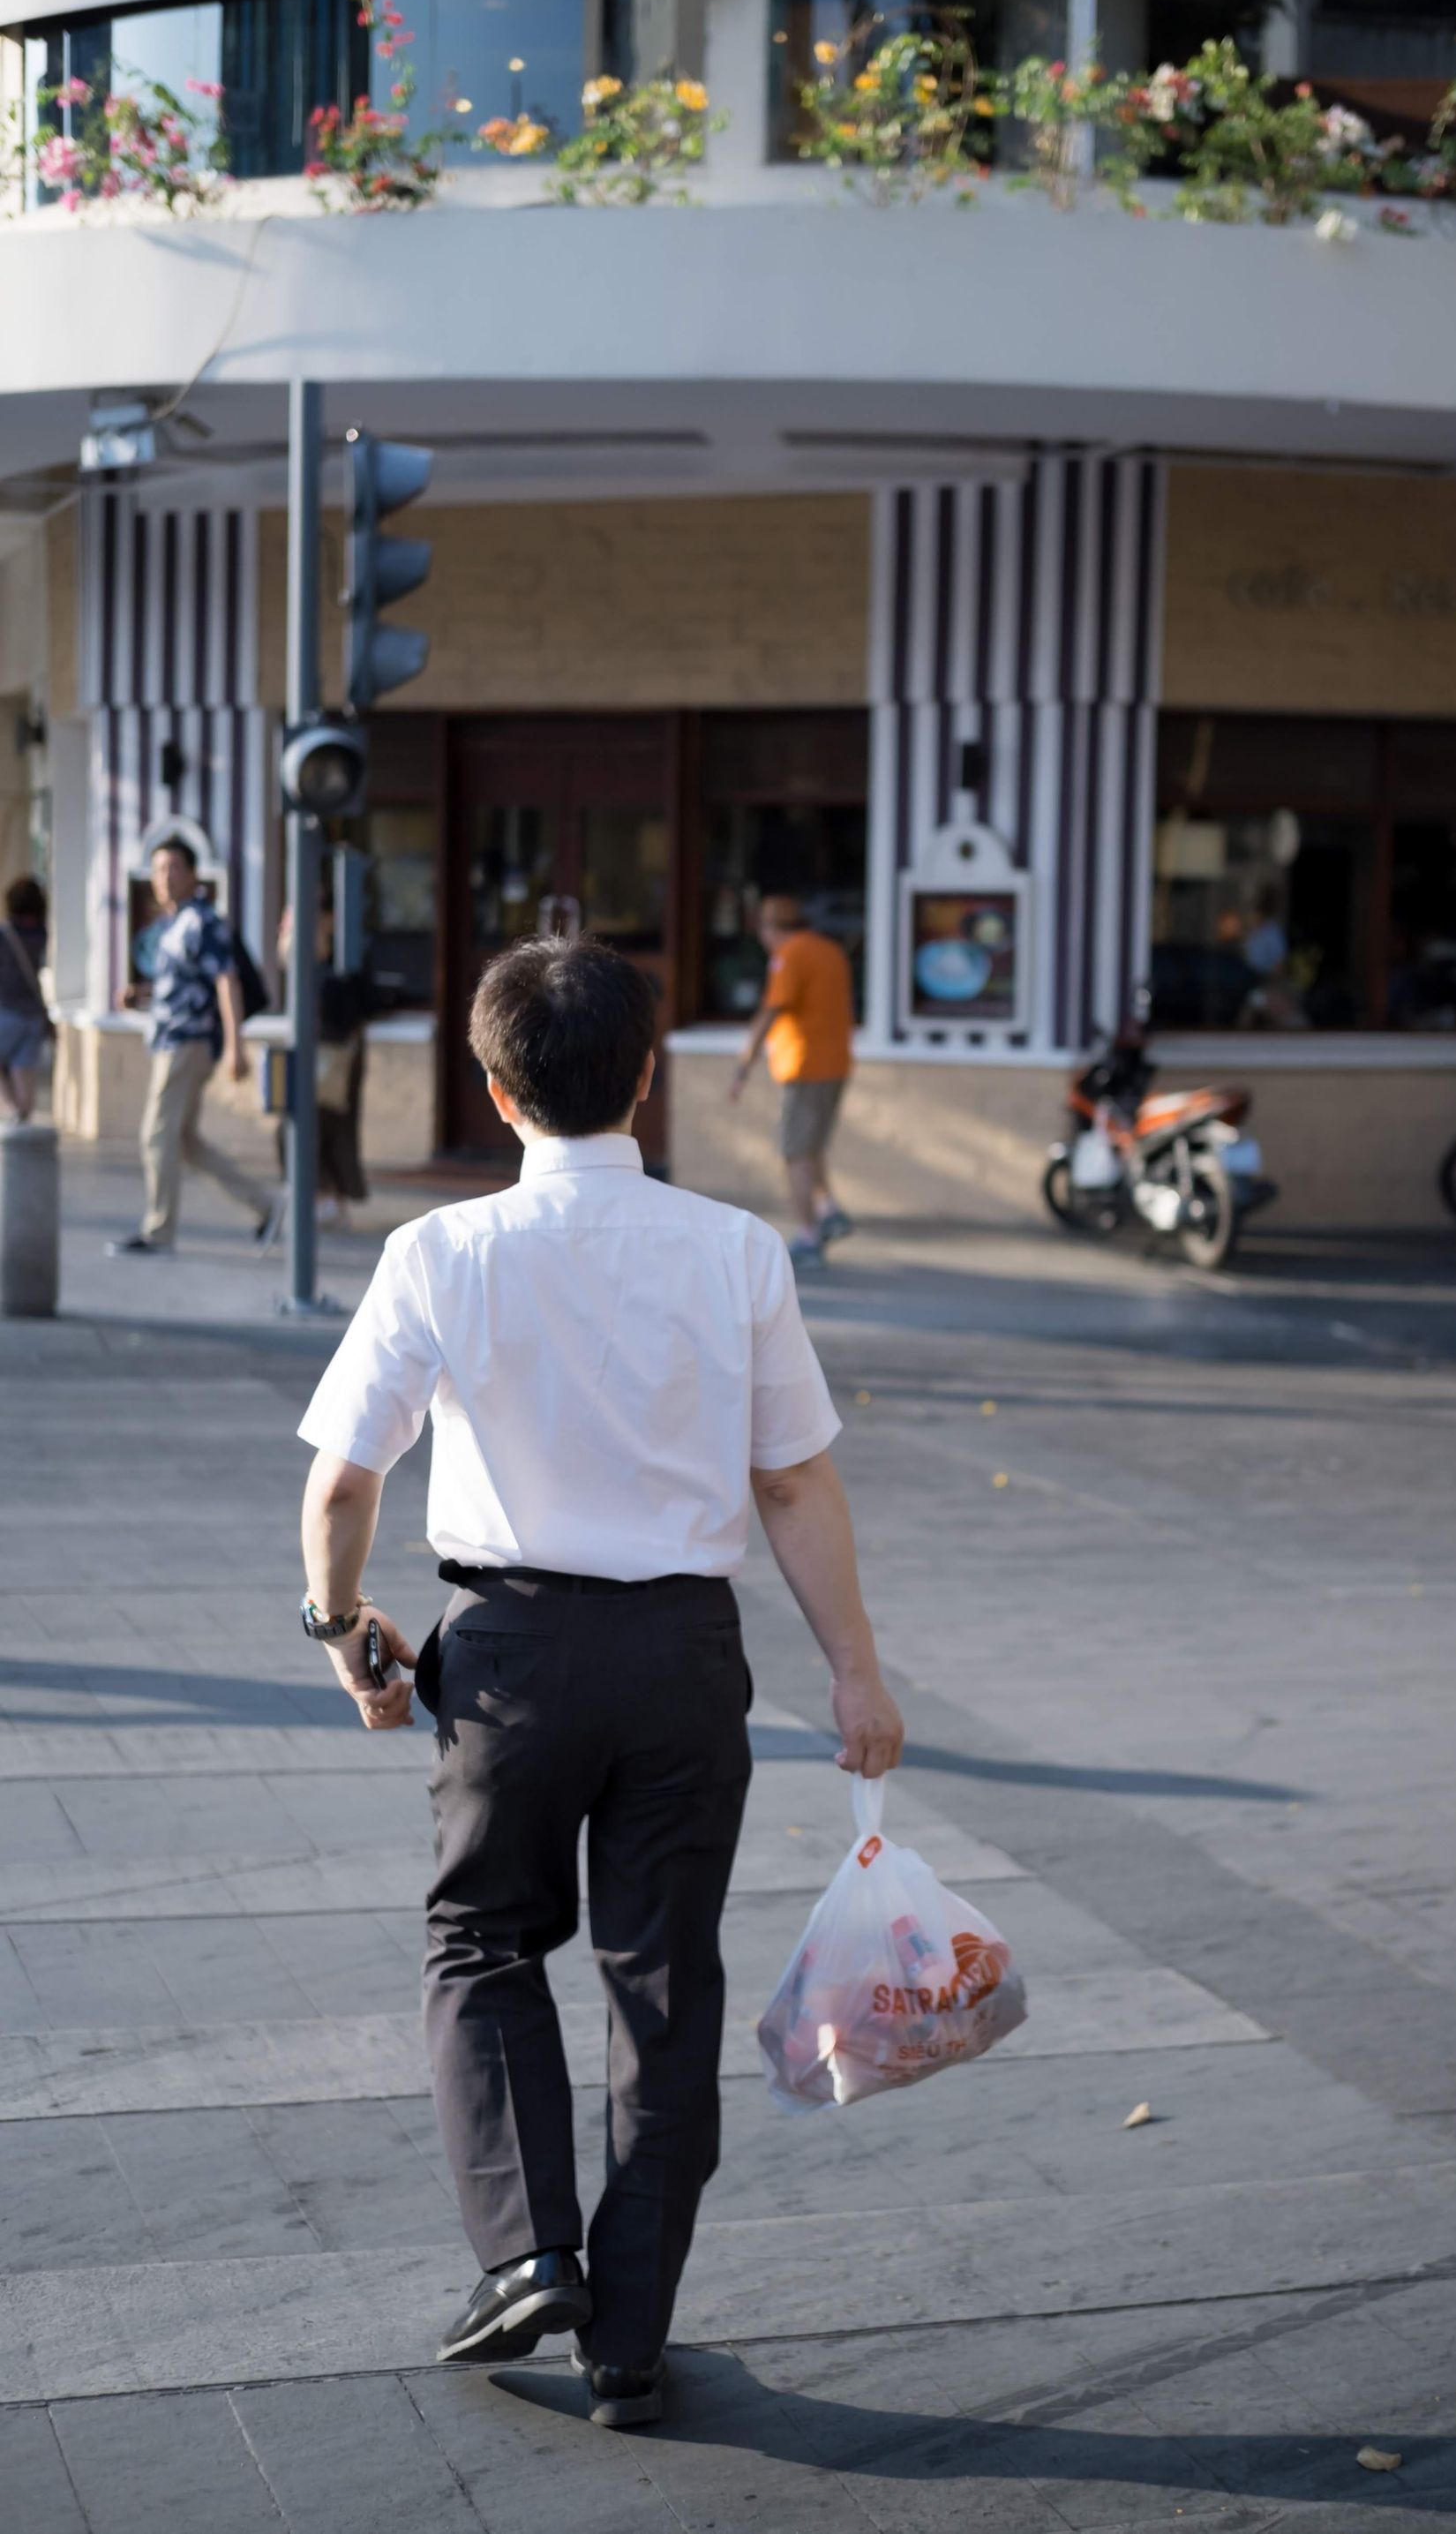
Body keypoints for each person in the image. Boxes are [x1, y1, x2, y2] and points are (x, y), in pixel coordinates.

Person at [296, 935, 904, 2430]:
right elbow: (794, 1484)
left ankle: (526, 2253)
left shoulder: (440, 1252)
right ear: (644, 1079)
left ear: (497, 1092)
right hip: (684, 1658)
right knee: (665, 1979)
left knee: (481, 1942)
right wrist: (856, 1675)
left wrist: (342, 1628)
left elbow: (344, 1483)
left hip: (506, 1655)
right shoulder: (737, 1249)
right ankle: (628, 2332)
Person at [109, 837, 275, 1256]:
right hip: (170, 1041)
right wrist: (140, 995)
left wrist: (236, 1045)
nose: (164, 878)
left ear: (193, 874)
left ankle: (158, 1232)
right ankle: (267, 1206)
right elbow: (183, 985)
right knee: (185, 1142)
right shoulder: (173, 924)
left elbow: (226, 981)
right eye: (158, 870)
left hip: (188, 1044)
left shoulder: (203, 921)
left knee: (155, 1135)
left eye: (173, 868)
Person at [728, 895, 855, 1268]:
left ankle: (809, 1236)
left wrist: (744, 1066)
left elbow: (771, 1010)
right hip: (835, 1062)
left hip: (804, 1065)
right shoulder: (829, 950)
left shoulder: (790, 955)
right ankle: (828, 1210)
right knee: (811, 1145)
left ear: (771, 928)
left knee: (794, 1150)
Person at [277, 902, 377, 1229]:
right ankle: (324, 1199)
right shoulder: (310, 957)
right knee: (302, 1128)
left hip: (334, 1054)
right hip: (318, 1051)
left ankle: (328, 1199)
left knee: (324, 1128)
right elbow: (285, 961)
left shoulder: (344, 955)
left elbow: (353, 1003)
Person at [0, 876, 51, 1124]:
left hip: (7, 1011)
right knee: (23, 1068)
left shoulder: (5, 933)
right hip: (33, 1015)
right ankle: (23, 1118)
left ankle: (12, 1111)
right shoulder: (41, 933)